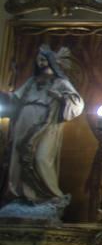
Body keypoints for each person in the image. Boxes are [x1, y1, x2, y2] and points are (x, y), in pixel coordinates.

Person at [0, 46, 85, 222]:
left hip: (46, 124)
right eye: (39, 59)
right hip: (24, 119)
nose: (41, 62)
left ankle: (50, 196)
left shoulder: (61, 82)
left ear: (53, 62)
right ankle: (22, 196)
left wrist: (60, 97)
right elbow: (15, 99)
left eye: (45, 59)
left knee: (41, 158)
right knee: (17, 158)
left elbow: (77, 103)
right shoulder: (31, 82)